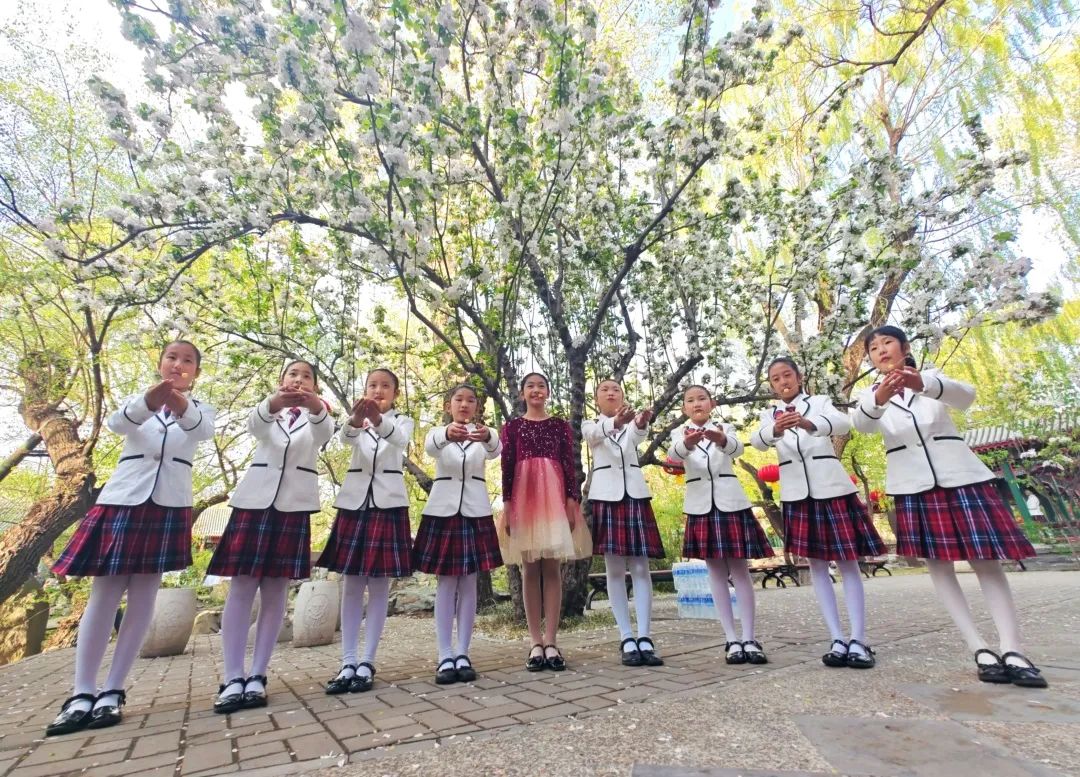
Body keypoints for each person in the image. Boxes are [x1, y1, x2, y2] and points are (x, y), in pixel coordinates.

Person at [853, 325, 1044, 687]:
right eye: (873, 348)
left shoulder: (932, 377)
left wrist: (923, 383)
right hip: (913, 487)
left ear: (904, 347)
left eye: (887, 342)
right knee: (939, 568)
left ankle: (1013, 649)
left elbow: (965, 396)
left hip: (961, 478)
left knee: (986, 562)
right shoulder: (870, 394)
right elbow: (862, 424)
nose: (881, 350)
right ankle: (979, 648)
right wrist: (879, 397)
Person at [47, 341, 216, 735]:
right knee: (104, 595)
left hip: (168, 504)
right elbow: (118, 424)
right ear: (160, 363)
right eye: (172, 357)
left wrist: (178, 403)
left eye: (187, 360)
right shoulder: (138, 402)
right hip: (123, 500)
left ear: (196, 371)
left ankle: (113, 690)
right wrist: (151, 401)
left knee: (144, 597)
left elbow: (202, 431)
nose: (178, 364)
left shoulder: (201, 408)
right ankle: (82, 692)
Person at [209, 359, 333, 713]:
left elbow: (324, 433)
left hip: (294, 506)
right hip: (254, 503)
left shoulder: (318, 416)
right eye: (293, 374)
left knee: (276, 590)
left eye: (307, 376)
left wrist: (314, 406)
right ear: (281, 380)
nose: (299, 379)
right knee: (242, 587)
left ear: (315, 386)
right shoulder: (268, 410)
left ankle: (258, 675)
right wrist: (274, 402)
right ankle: (233, 676)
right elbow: (255, 425)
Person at [751, 356, 884, 668]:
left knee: (848, 563)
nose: (783, 382)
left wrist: (809, 424)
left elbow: (843, 423)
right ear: (772, 386)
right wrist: (775, 429)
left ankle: (859, 639)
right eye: (776, 379)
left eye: (787, 375)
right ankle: (836, 638)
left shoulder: (819, 402)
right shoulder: (769, 414)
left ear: (799, 377)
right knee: (816, 565)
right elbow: (757, 442)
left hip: (831, 488)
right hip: (797, 494)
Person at [319, 368, 414, 693]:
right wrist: (358, 419)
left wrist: (377, 418)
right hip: (355, 502)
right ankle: (347, 661)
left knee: (379, 584)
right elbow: (344, 439)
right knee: (352, 583)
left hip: (388, 503)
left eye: (385, 385)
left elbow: (400, 441)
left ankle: (367, 661)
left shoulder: (402, 421)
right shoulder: (356, 421)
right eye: (372, 384)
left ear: (395, 393)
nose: (378, 390)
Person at [669, 384, 772, 665]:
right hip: (700, 505)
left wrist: (721, 438)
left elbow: (737, 450)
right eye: (691, 400)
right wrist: (688, 443)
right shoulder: (679, 433)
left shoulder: (725, 427)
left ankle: (749, 637)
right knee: (715, 572)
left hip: (730, 502)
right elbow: (674, 455)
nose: (697, 404)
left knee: (740, 570)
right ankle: (731, 639)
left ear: (711, 403)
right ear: (684, 408)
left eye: (702, 398)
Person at [496, 372, 591, 671]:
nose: (536, 390)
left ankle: (551, 640)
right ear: (522, 393)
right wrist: (507, 505)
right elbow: (506, 466)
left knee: (551, 568)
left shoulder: (560, 426)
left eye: (541, 386)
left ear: (548, 392)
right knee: (529, 569)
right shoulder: (512, 427)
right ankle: (534, 641)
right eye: (530, 386)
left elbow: (569, 463)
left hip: (554, 498)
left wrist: (572, 500)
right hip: (523, 498)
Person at [413, 384, 503, 684]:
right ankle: (444, 654)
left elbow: (496, 451)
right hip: (443, 511)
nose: (464, 404)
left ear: (477, 407)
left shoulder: (483, 435)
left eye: (471, 400)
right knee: (446, 583)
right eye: (459, 400)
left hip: (476, 511)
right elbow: (431, 448)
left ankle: (463, 653)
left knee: (469, 582)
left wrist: (487, 435)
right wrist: (447, 434)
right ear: (448, 405)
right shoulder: (438, 434)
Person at [583, 379, 664, 667]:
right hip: (606, 497)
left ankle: (645, 636)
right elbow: (594, 436)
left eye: (616, 389)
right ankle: (626, 636)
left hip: (635, 495)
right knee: (614, 570)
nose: (610, 392)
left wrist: (640, 422)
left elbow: (638, 436)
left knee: (641, 568)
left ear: (622, 396)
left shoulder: (630, 425)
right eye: (604, 390)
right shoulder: (590, 424)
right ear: (596, 399)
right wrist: (616, 422)